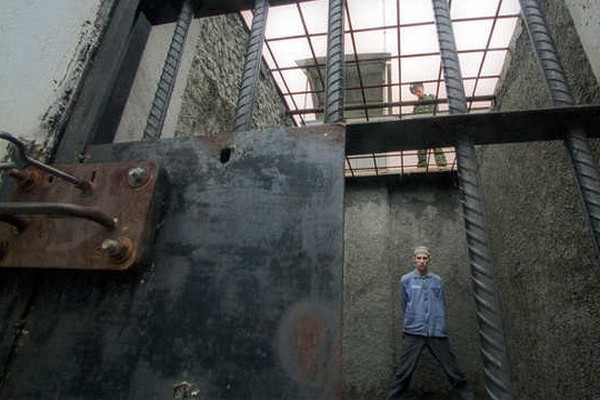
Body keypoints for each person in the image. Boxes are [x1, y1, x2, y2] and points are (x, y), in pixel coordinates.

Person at [386, 246, 475, 400]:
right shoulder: (406, 280)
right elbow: (404, 304)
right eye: (419, 258)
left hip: (436, 332)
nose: (422, 261)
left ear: (429, 260)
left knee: (453, 370)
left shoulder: (437, 281)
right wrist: (413, 319)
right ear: (414, 260)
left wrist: (439, 324)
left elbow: (441, 304)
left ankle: (468, 397)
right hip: (414, 332)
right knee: (404, 372)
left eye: (424, 258)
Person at [409, 82, 447, 168]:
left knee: (437, 146)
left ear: (422, 88)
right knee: (421, 149)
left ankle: (441, 164)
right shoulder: (416, 105)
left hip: (432, 125)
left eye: (418, 91)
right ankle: (422, 165)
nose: (417, 93)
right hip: (422, 128)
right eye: (415, 92)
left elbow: (436, 110)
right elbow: (414, 116)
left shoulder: (431, 98)